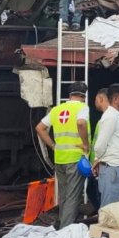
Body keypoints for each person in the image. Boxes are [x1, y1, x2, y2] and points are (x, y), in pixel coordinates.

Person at [34, 81, 90, 228]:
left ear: (70, 95)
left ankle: (61, 225)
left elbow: (39, 128)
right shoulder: (82, 108)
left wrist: (53, 146)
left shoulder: (57, 110)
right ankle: (66, 231)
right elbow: (81, 123)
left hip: (59, 158)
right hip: (75, 158)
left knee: (64, 195)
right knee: (73, 197)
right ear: (84, 95)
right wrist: (85, 144)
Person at [92, 83, 119, 208]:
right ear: (115, 99)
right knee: (109, 209)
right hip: (112, 169)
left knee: (117, 209)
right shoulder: (110, 117)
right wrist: (100, 159)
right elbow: (99, 146)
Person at [86, 88, 109, 212]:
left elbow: (104, 145)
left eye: (95, 99)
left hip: (100, 165)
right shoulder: (104, 119)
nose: (94, 102)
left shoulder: (107, 119)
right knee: (91, 191)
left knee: (97, 194)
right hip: (96, 164)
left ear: (101, 99)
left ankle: (102, 217)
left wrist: (97, 161)